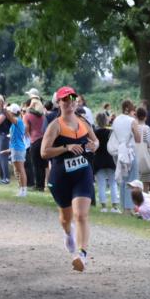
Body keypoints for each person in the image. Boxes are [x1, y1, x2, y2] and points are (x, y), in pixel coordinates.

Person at [40, 86, 100, 271]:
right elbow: (44, 152)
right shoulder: (55, 125)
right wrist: (66, 147)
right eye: (65, 100)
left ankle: (82, 255)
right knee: (66, 218)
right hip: (61, 177)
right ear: (58, 103)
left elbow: (96, 141)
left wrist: (94, 145)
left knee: (81, 215)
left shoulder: (82, 121)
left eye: (72, 99)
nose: (70, 103)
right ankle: (68, 234)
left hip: (83, 172)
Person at [111, 100, 141, 213]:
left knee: (123, 180)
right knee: (131, 180)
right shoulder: (132, 121)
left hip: (118, 151)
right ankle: (129, 208)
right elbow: (138, 139)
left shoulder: (116, 119)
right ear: (132, 109)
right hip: (129, 151)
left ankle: (124, 207)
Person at [92, 111, 119, 212]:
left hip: (98, 160)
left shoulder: (95, 132)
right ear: (106, 120)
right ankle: (115, 206)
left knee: (101, 183)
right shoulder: (110, 132)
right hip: (110, 159)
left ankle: (103, 206)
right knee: (113, 183)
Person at [24, 95, 47, 192]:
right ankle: (42, 185)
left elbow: (26, 130)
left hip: (34, 141)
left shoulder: (27, 115)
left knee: (36, 165)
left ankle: (38, 185)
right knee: (42, 165)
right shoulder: (43, 115)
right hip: (44, 140)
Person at [6, 104, 28, 197]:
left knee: (20, 170)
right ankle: (21, 189)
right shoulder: (17, 121)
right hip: (16, 148)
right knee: (18, 170)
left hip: (18, 148)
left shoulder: (18, 121)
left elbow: (9, 116)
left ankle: (24, 190)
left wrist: (4, 109)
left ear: (12, 112)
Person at [135, 106, 150, 190]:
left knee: (136, 182)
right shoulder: (146, 129)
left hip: (135, 158)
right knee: (145, 185)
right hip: (145, 160)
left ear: (136, 116)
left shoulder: (134, 128)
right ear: (145, 117)